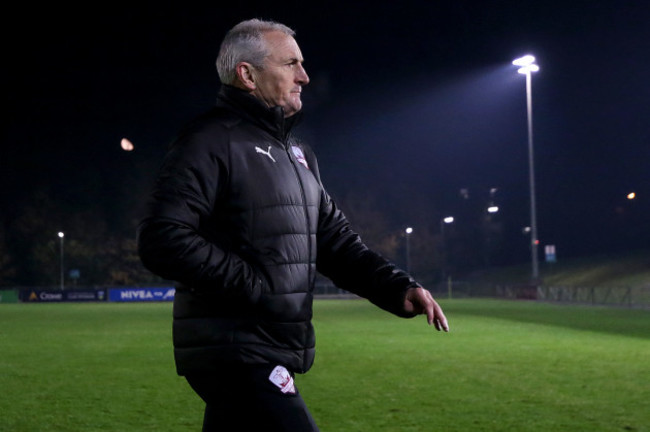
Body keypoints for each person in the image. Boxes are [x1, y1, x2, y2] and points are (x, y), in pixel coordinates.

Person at [137, 18, 449, 431]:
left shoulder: (299, 155)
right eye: (291, 64)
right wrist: (256, 286)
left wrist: (396, 287)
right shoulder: (209, 140)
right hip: (237, 348)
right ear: (247, 74)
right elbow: (163, 239)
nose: (304, 76)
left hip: (272, 345)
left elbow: (335, 242)